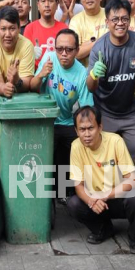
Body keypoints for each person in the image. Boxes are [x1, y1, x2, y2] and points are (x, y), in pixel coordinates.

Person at [67, 105, 135, 254]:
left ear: (100, 127)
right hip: (96, 201)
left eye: (91, 128)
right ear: (76, 131)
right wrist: (91, 201)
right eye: (82, 130)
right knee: (73, 204)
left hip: (117, 197)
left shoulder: (115, 141)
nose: (87, 134)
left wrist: (106, 195)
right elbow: (78, 185)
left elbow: (133, 180)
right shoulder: (76, 146)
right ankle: (103, 229)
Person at [30, 29, 94, 197]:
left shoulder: (81, 73)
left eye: (69, 50)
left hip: (66, 121)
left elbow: (87, 108)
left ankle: (68, 193)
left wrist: (85, 132)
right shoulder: (49, 58)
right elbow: (33, 87)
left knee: (72, 154)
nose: (64, 54)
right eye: (60, 49)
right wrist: (42, 74)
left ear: (77, 51)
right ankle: (43, 195)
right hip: (44, 119)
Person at [86, 0, 135, 157]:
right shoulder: (99, 48)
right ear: (107, 21)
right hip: (105, 113)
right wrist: (94, 74)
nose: (120, 23)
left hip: (130, 113)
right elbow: (90, 87)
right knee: (106, 160)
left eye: (124, 18)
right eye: (115, 19)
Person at [0, 7, 36, 133]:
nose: (8, 34)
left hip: (18, 98)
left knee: (16, 139)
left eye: (12, 28)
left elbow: (27, 84)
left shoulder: (27, 45)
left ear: (19, 28)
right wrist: (4, 88)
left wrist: (16, 80)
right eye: (3, 29)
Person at [24, 0, 65, 68]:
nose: (47, 5)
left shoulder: (64, 29)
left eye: (50, 1)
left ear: (57, 5)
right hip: (35, 75)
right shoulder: (30, 28)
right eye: (43, 1)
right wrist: (32, 55)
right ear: (38, 5)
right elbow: (24, 57)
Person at [69, 0, 107, 64]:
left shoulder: (111, 15)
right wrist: (100, 41)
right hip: (85, 74)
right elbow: (75, 53)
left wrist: (87, 44)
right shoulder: (75, 21)